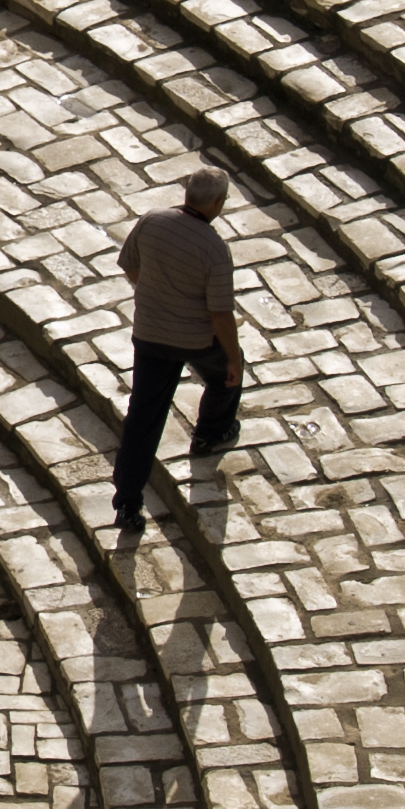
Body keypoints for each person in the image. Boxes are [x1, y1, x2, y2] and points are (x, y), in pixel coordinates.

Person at [111, 167, 242, 547]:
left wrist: (155, 295)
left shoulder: (153, 221)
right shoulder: (214, 249)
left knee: (144, 418)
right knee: (224, 377)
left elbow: (130, 265)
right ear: (217, 203)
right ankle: (211, 434)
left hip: (150, 334)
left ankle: (128, 503)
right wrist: (233, 358)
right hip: (196, 338)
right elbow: (220, 313)